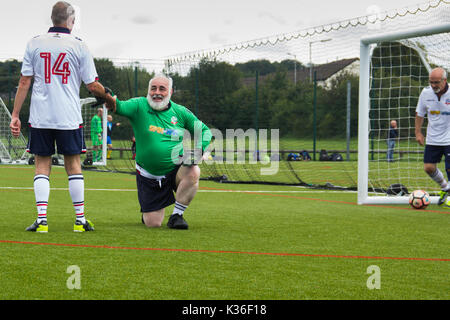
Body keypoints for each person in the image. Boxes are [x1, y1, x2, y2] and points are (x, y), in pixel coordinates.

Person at [9, 1, 115, 232]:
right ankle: (79, 220)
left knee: (42, 165)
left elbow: (24, 81)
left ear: (52, 19)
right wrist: (109, 97)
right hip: (68, 116)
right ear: (71, 21)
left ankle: (42, 221)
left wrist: (15, 114)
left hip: (40, 117)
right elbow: (92, 85)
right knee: (74, 165)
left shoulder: (34, 43)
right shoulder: (79, 45)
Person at [108, 73, 212, 229]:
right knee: (153, 223)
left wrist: (199, 151)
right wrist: (107, 98)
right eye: (153, 88)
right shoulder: (138, 105)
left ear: (170, 92)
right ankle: (149, 211)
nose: (157, 92)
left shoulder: (180, 112)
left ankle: (177, 216)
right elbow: (119, 106)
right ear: (148, 91)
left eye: (162, 89)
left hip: (175, 170)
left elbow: (205, 131)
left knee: (193, 170)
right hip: (149, 175)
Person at [415, 67, 450, 207]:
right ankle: (445, 187)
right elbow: (419, 113)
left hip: (449, 138)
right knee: (429, 167)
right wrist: (418, 132)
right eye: (431, 82)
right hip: (433, 138)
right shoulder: (425, 93)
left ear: (444, 80)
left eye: (436, 82)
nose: (434, 85)